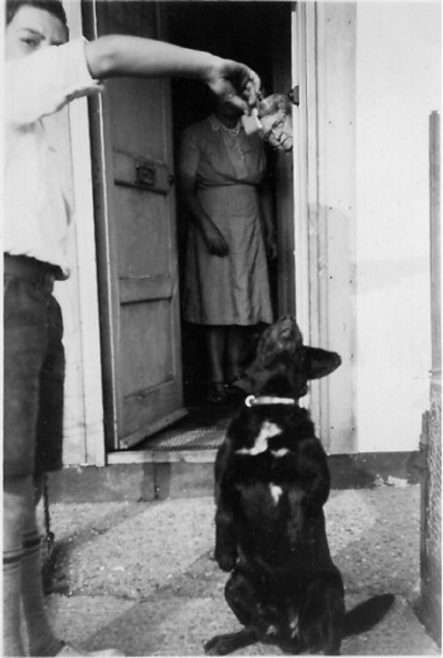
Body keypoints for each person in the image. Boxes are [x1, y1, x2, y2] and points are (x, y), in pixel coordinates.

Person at [3, 1, 261, 655]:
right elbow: (111, 54)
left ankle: (41, 649)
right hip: (7, 293)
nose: (47, 57)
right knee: (6, 496)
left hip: (34, 294)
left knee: (23, 489)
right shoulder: (8, 86)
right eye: (30, 40)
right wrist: (208, 65)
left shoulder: (31, 127)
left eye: (56, 45)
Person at [178, 94, 277, 403]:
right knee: (215, 300)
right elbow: (184, 187)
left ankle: (235, 372)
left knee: (243, 298)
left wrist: (270, 230)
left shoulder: (252, 127)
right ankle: (215, 377)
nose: (228, 101)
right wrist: (207, 228)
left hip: (249, 223)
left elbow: (264, 188)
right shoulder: (196, 133)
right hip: (213, 221)